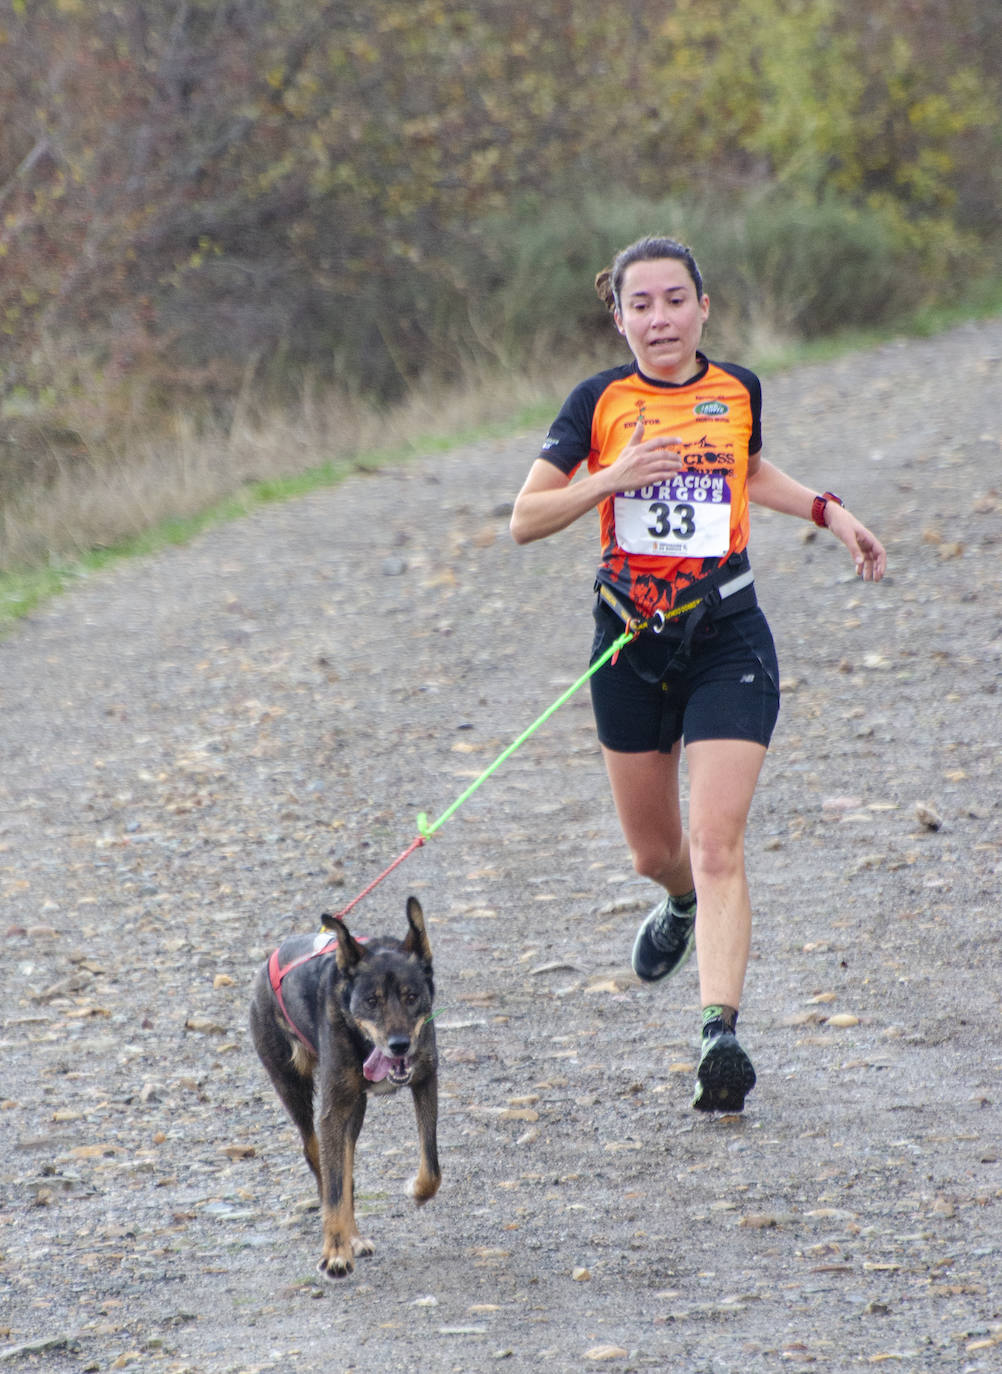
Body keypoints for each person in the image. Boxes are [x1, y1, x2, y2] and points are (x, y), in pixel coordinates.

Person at [510, 234, 886, 1113]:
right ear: (618, 315)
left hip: (727, 638)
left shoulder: (736, 389)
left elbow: (747, 470)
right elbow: (526, 519)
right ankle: (675, 903)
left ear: (702, 307)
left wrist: (831, 512)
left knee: (718, 842)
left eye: (675, 300)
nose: (659, 318)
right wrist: (611, 478)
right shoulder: (597, 402)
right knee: (655, 852)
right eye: (640, 304)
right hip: (628, 644)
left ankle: (719, 1034)